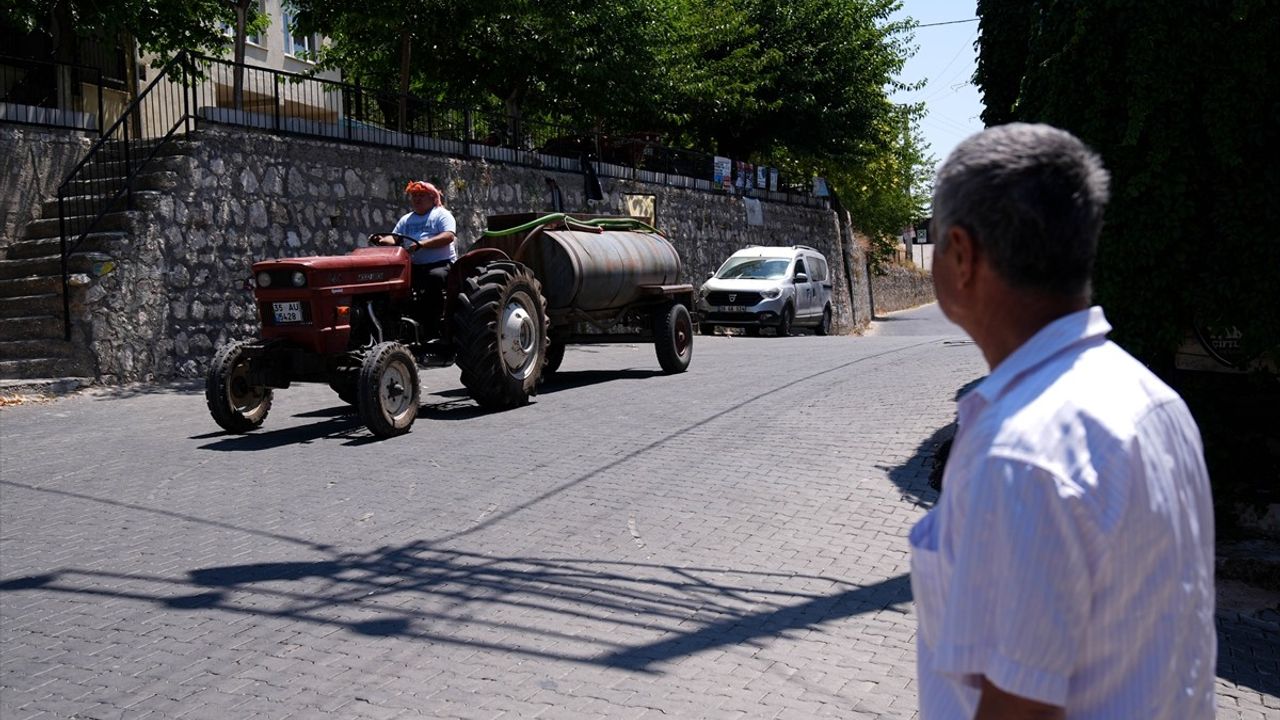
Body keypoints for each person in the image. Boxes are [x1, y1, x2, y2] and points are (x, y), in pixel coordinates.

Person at [911, 123, 1215, 719]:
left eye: (937, 241)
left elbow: (1020, 708)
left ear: (962, 255)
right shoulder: (1156, 402)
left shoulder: (1018, 453)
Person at [379, 180, 457, 334]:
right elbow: (394, 238)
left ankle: (432, 326)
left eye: (421, 195)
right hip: (413, 266)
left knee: (434, 278)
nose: (417, 199)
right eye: (414, 196)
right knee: (392, 281)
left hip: (440, 264)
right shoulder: (406, 219)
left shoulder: (441, 215)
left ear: (432, 198)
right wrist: (382, 240)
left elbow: (448, 236)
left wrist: (422, 244)